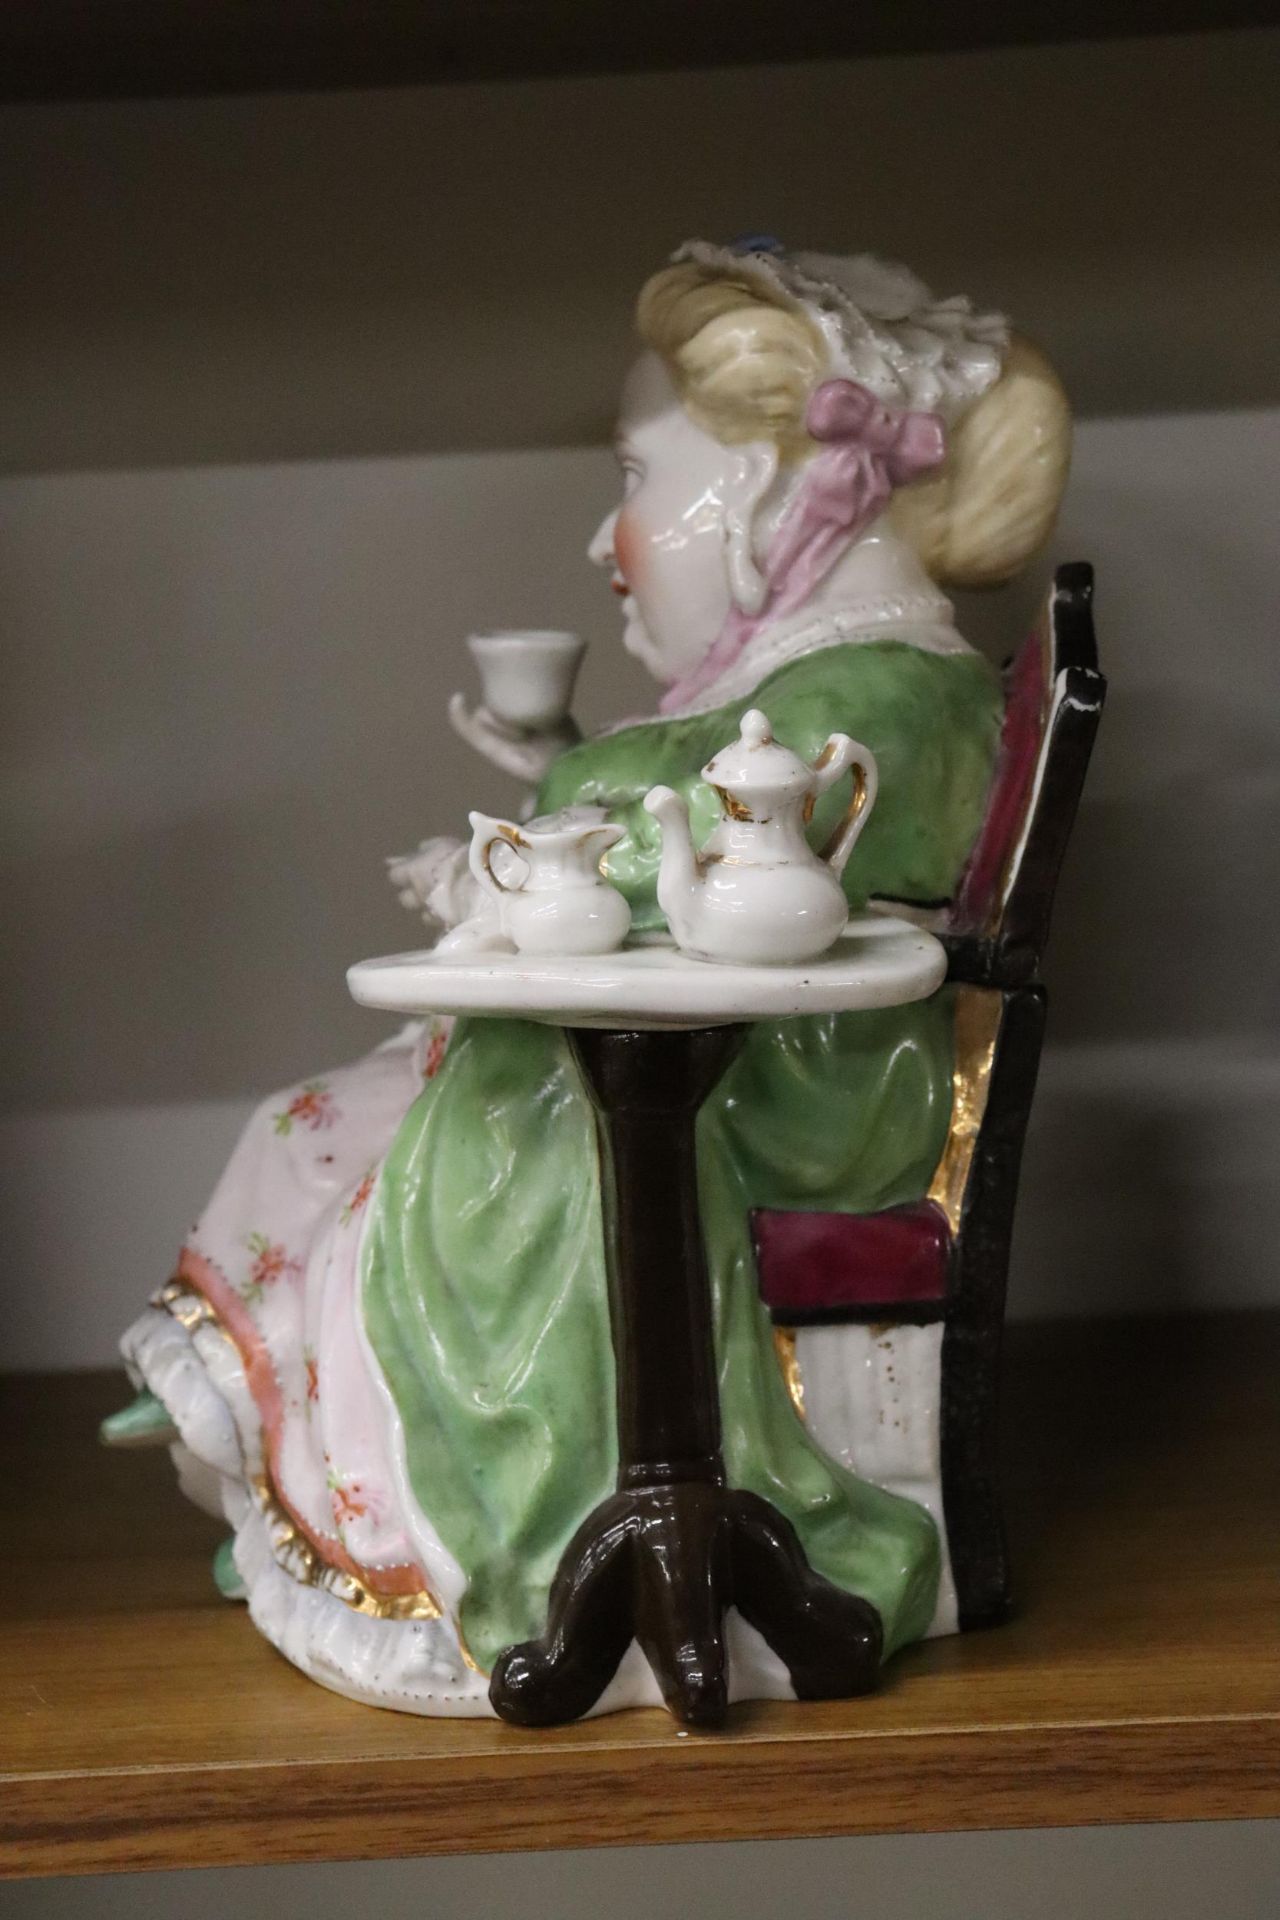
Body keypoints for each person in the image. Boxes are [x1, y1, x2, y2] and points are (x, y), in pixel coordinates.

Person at [107, 239, 1071, 1717]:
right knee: (329, 1112)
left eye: (633, 478)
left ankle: (441, 1529)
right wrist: (555, 794)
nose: (605, 543)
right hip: (715, 1060)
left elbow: (754, 867)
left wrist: (534, 865)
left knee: (430, 1145)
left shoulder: (892, 692)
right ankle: (294, 1476)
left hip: (784, 1091)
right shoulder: (810, 675)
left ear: (774, 488)